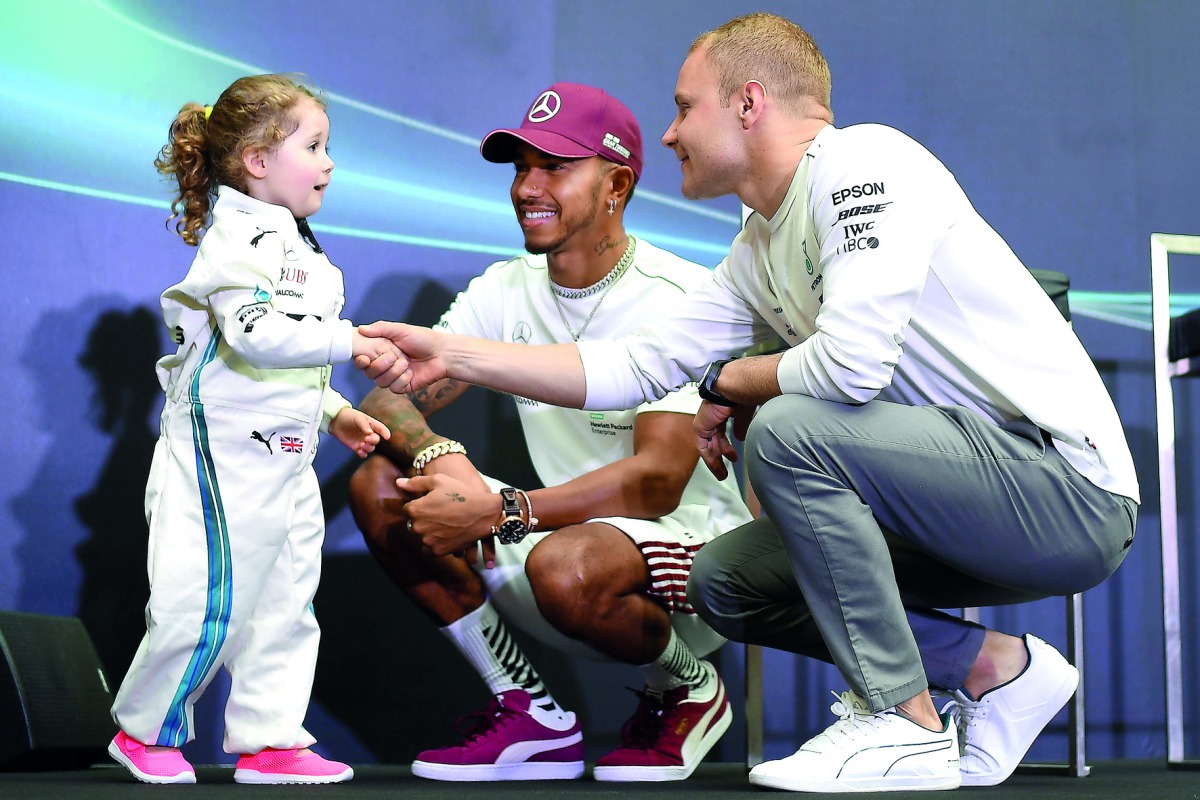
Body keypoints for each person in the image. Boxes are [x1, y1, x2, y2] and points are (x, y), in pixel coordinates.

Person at [357, 13, 1140, 795]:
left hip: (1068, 496)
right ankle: (998, 671)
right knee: (727, 579)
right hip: (945, 512)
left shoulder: (864, 163)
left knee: (791, 431)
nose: (670, 134)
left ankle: (904, 722)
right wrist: (452, 353)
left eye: (683, 107)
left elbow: (851, 366)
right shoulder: (758, 246)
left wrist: (728, 383)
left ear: (748, 103)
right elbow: (634, 365)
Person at [348, 82, 751, 782]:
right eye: (520, 168)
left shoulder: (679, 295)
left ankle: (688, 683)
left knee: (565, 564)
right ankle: (529, 709)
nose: (527, 188)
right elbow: (389, 400)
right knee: (381, 483)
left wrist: (504, 509)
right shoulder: (505, 289)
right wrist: (443, 458)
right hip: (560, 546)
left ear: (617, 185)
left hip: (695, 562)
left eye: (555, 167)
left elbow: (657, 484)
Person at [108, 73, 397, 785]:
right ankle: (146, 731)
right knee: (207, 599)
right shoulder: (235, 237)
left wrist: (334, 411)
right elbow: (252, 335)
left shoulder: (297, 241)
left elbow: (281, 359)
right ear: (258, 161)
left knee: (285, 602)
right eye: (314, 146)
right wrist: (352, 342)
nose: (329, 163)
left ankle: (269, 740)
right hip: (219, 452)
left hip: (286, 455)